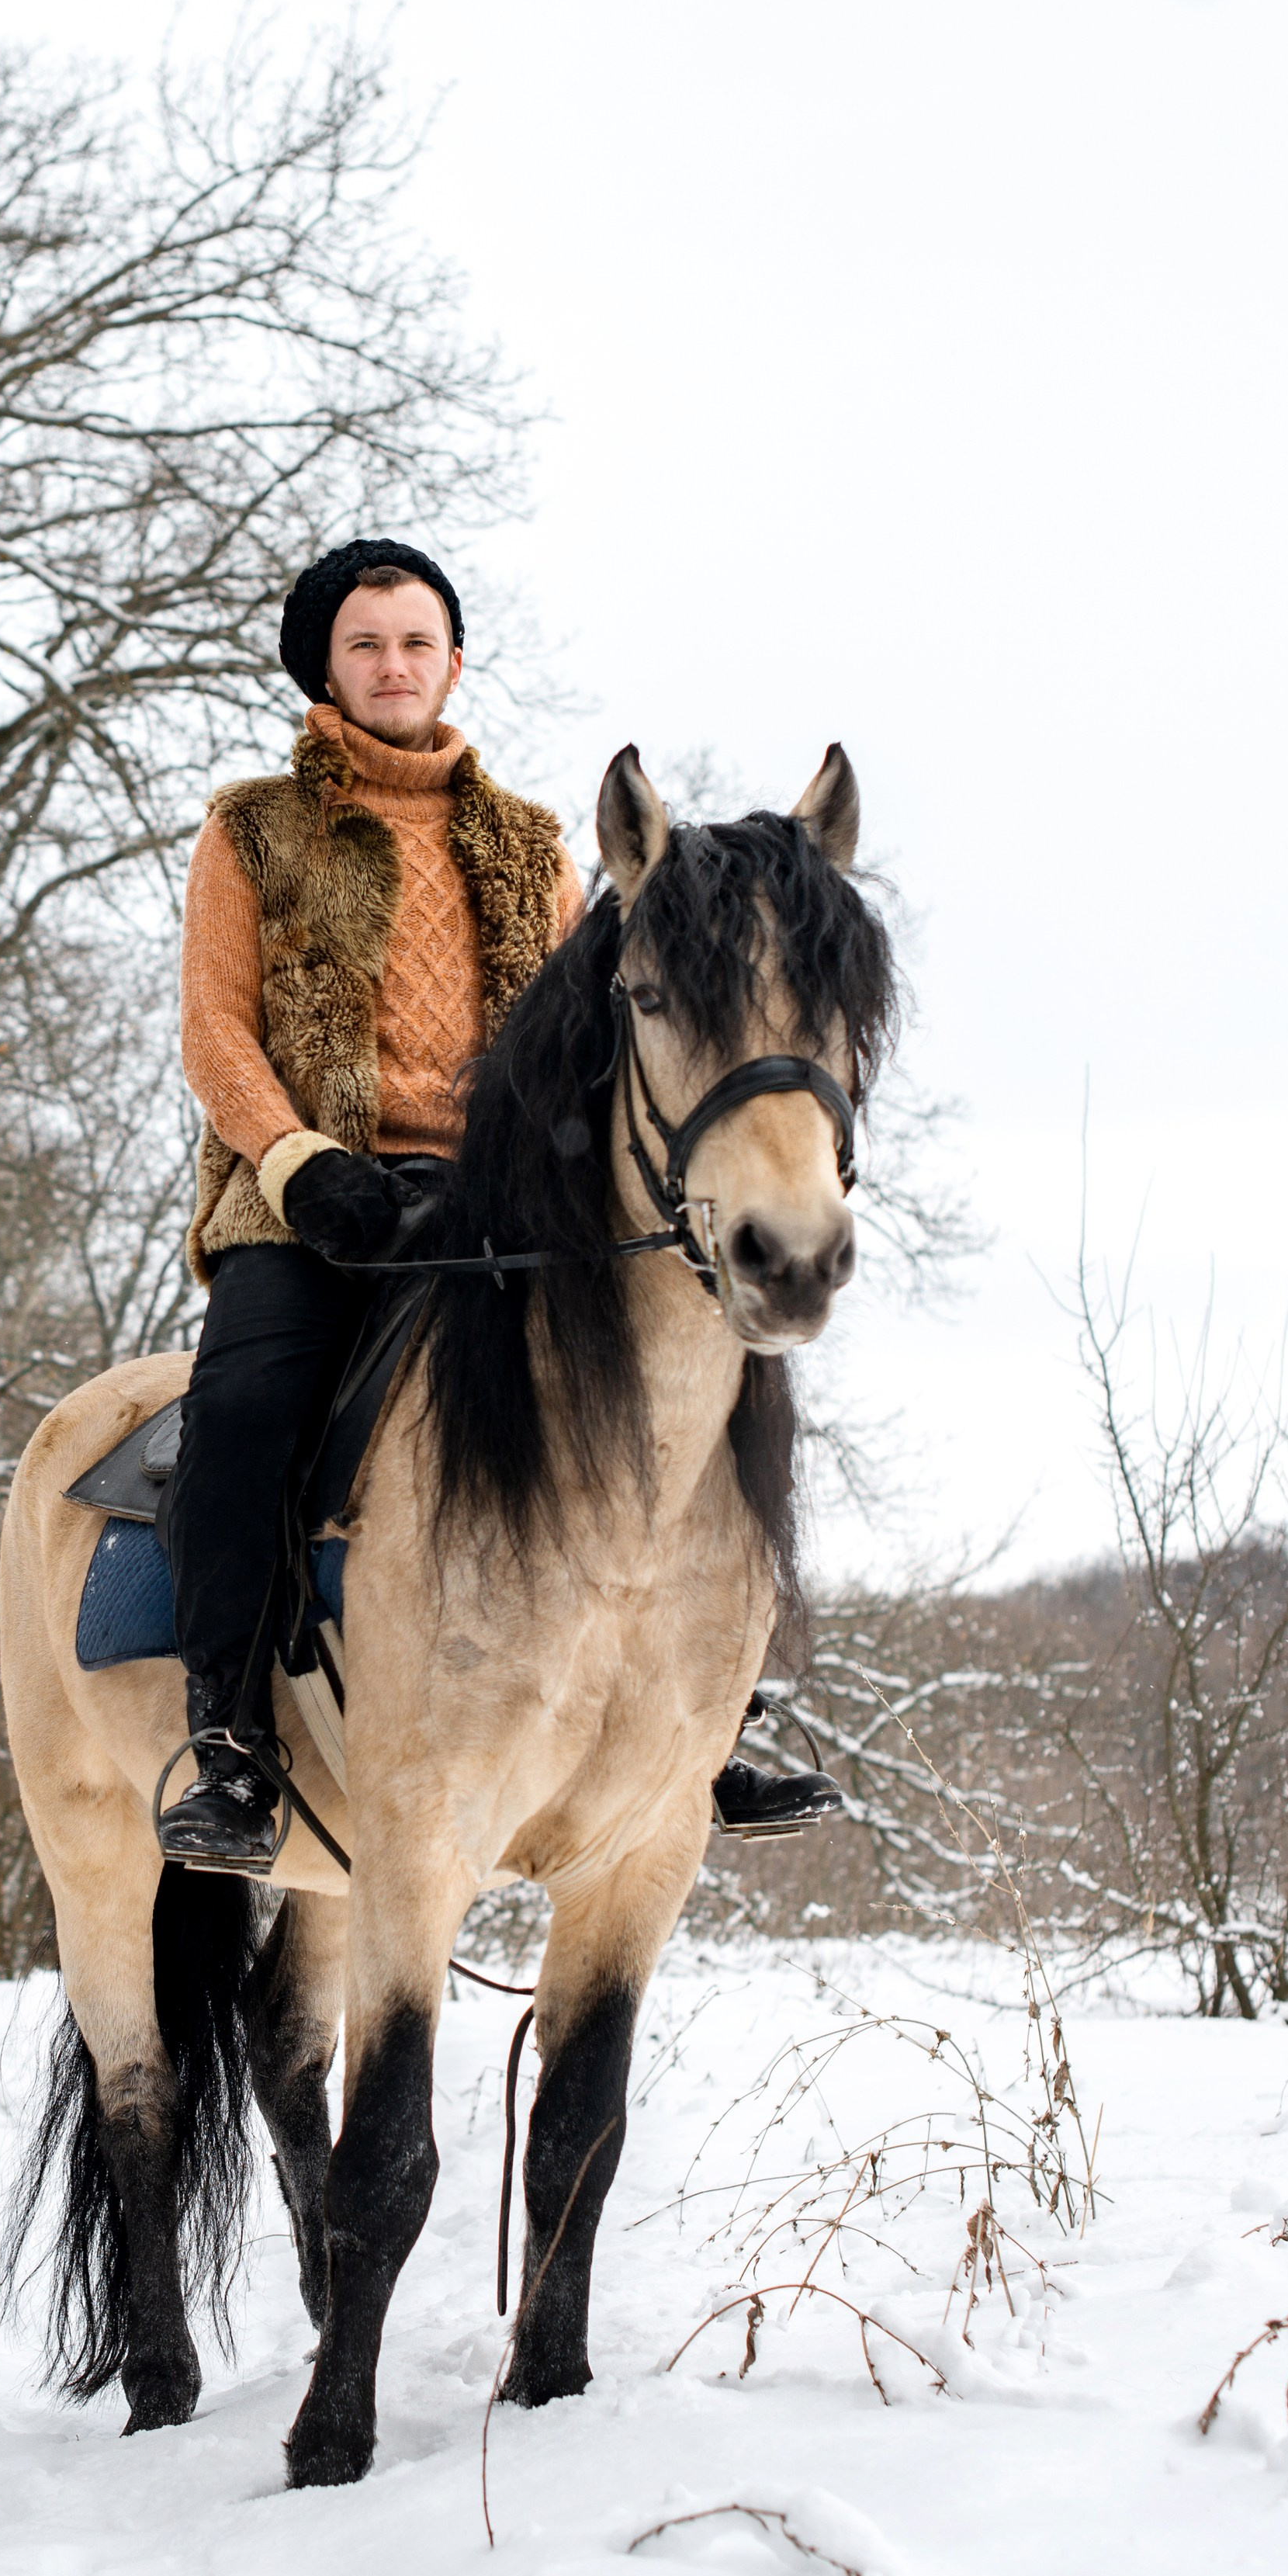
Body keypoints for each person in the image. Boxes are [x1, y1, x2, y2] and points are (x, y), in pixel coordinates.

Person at [159, 535, 839, 1867]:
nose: (394, 664)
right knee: (241, 1411)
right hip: (312, 1203)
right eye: (366, 644)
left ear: (453, 661)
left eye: (416, 641)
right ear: (326, 668)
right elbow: (213, 1034)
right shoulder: (252, 829)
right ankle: (232, 1742)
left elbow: (581, 1042)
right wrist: (302, 1167)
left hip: (501, 1204)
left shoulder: (533, 845)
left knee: (699, 1367)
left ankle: (707, 1717)